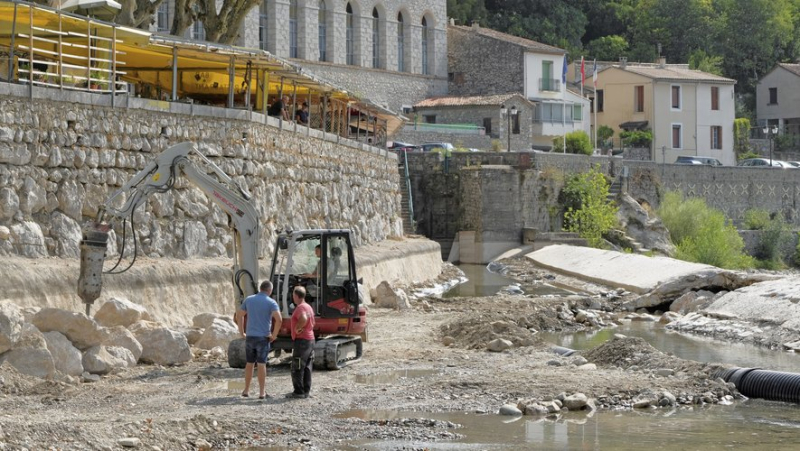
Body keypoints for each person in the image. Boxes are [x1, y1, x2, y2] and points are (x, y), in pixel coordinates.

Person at [237, 280, 282, 400]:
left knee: (249, 363)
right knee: (261, 364)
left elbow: (239, 315)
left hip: (250, 336)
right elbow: (279, 319)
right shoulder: (271, 302)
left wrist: (242, 332)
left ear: (260, 288)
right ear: (270, 290)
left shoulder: (249, 299)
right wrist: (274, 335)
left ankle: (246, 390)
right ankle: (262, 392)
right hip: (263, 337)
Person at [286, 286, 315, 399]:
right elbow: (312, 323)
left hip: (302, 341)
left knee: (297, 366)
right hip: (310, 340)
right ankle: (306, 391)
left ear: (296, 296)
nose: (292, 297)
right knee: (307, 366)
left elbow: (303, 318)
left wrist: (297, 328)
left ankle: (298, 391)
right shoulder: (308, 307)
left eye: (293, 295)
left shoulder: (300, 308)